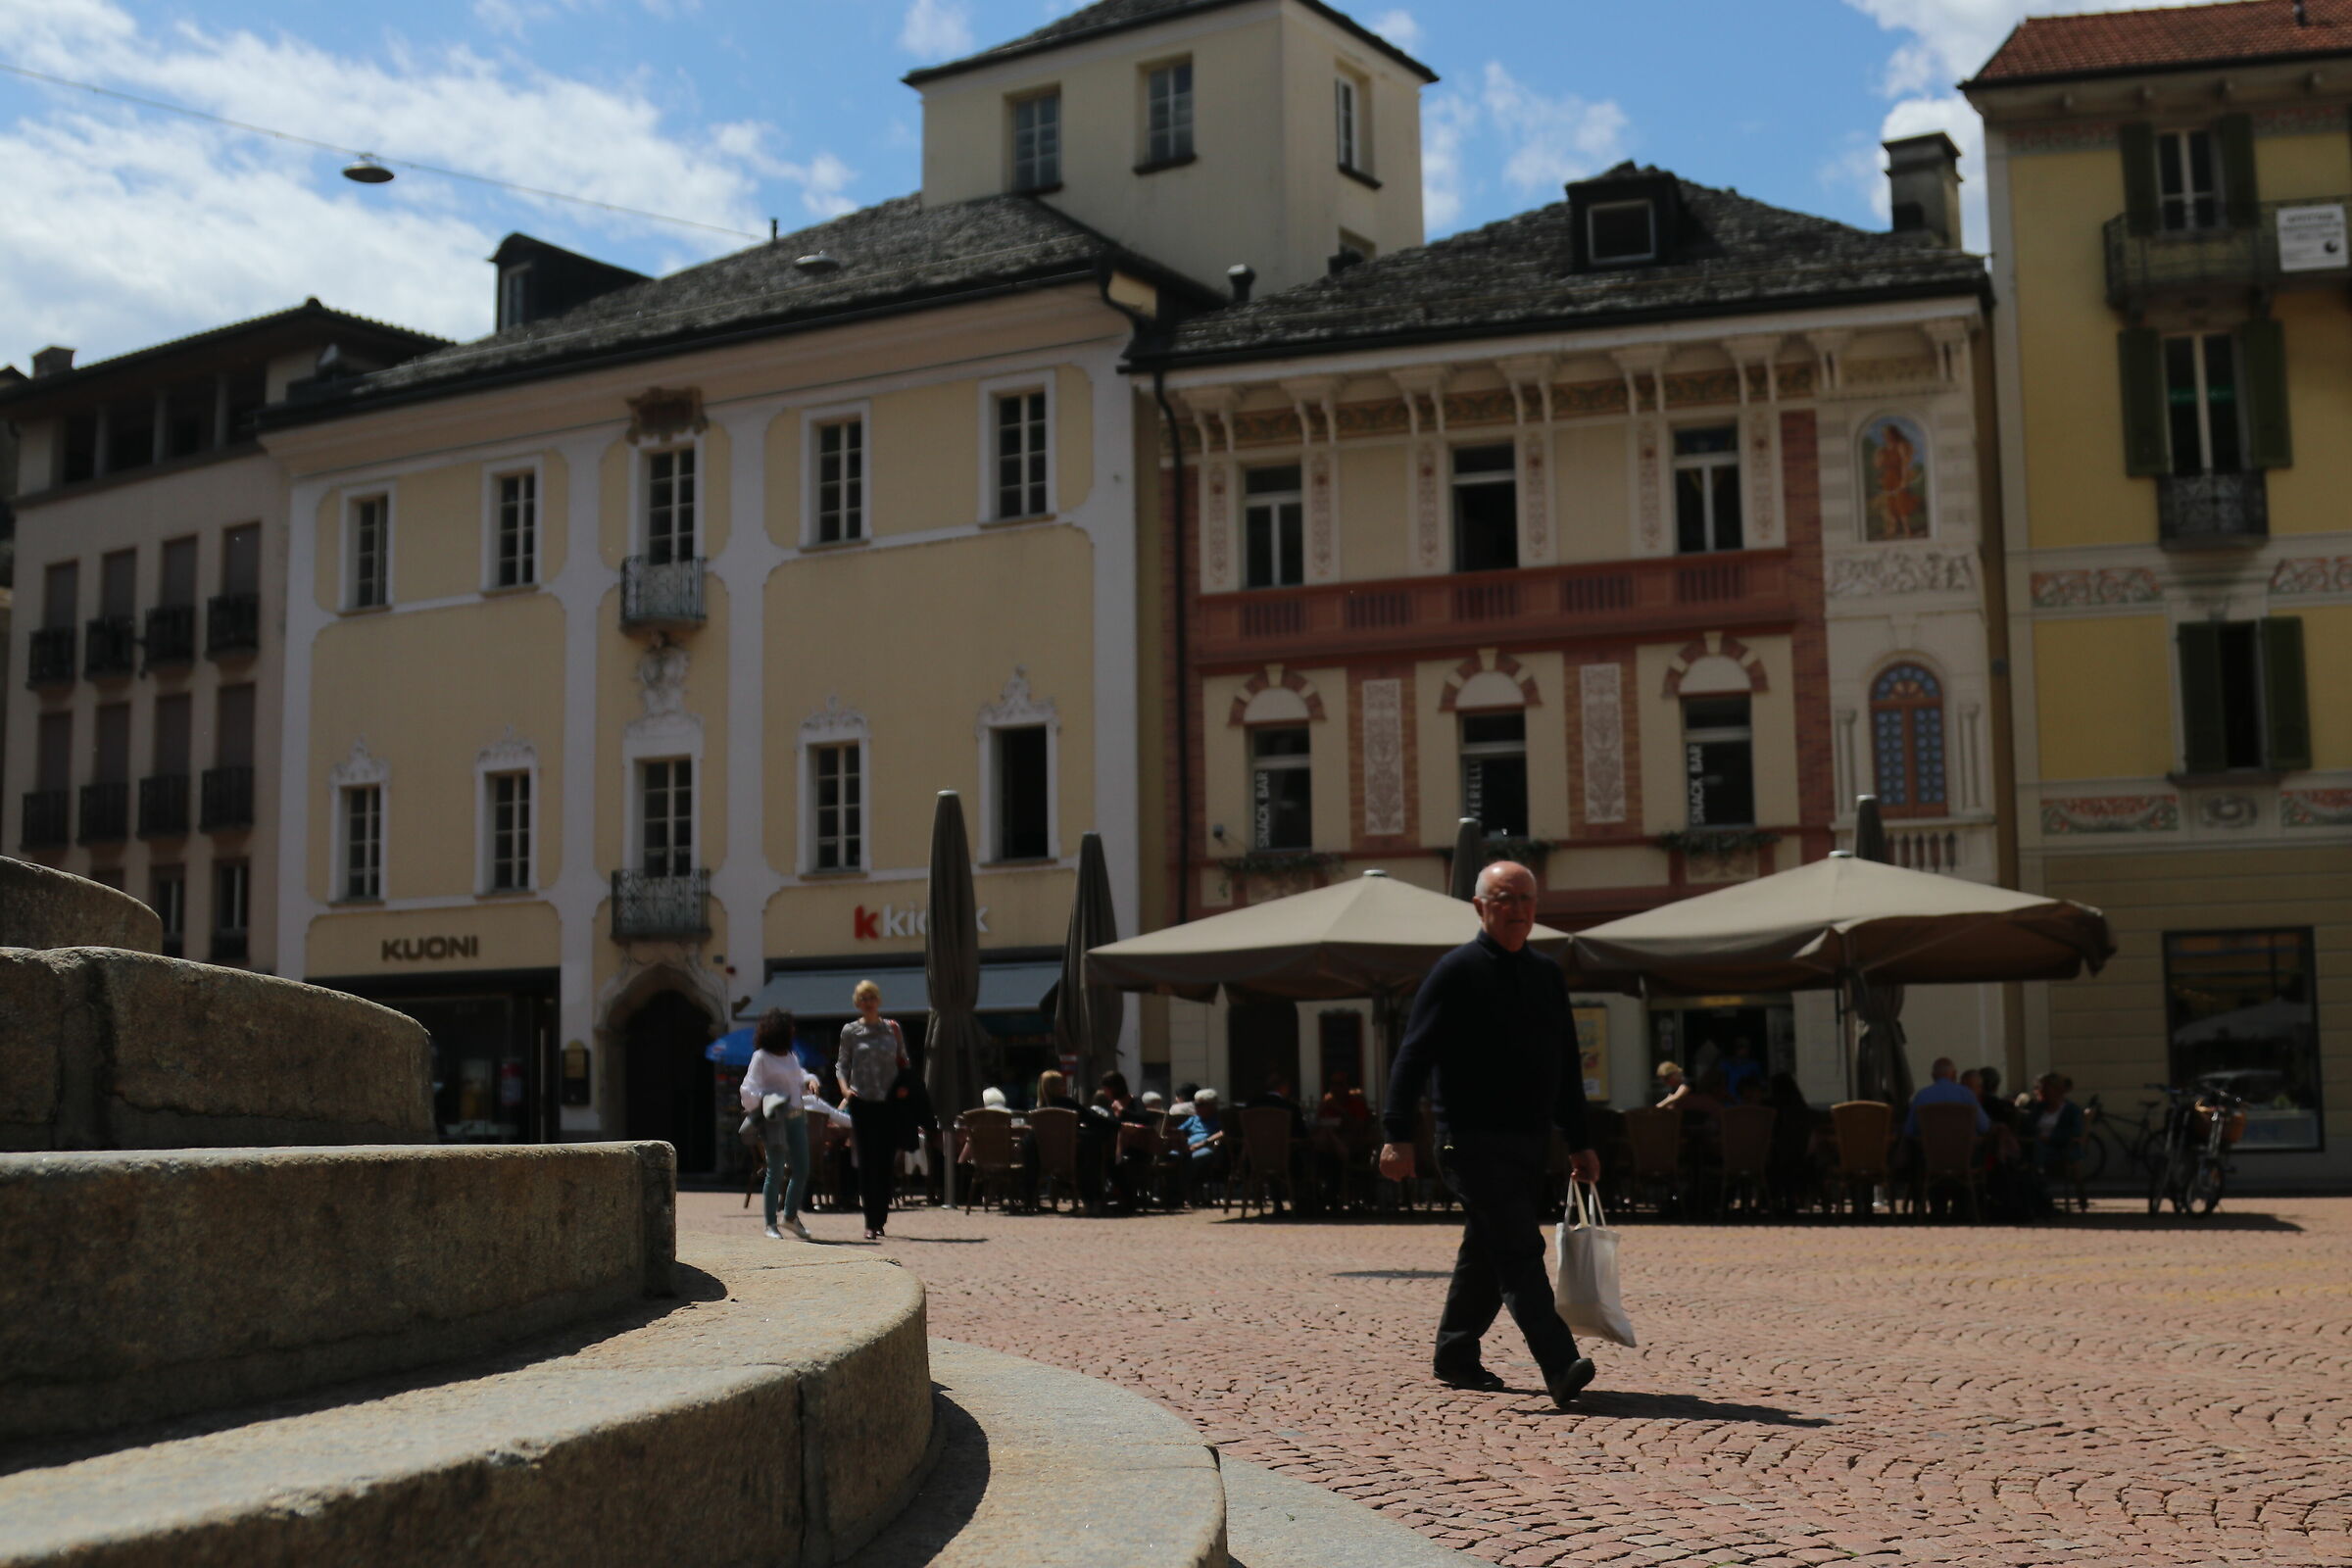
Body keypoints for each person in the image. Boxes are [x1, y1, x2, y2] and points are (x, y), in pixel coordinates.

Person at [1380, 860, 1600, 1409]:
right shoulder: (1454, 972)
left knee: (1487, 1247)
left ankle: (1455, 1353)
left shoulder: (1547, 975)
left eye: (1527, 899)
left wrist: (1580, 1139)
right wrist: (1396, 1133)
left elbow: (1566, 1065)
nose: (1519, 910)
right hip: (1468, 1141)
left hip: (1527, 1142)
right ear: (1480, 907)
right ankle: (1559, 1362)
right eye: (1505, 898)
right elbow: (1412, 1056)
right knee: (1519, 1247)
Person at [837, 979, 910, 1241]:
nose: (868, 1002)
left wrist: (904, 1087)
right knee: (867, 1163)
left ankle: (881, 1218)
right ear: (858, 1004)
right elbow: (842, 1065)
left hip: (889, 1102)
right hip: (862, 1101)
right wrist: (845, 1089)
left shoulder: (893, 1029)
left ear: (878, 1001)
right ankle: (870, 1221)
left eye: (872, 997)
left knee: (885, 1162)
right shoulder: (851, 1031)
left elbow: (904, 1061)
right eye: (863, 999)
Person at [742, 1008, 812, 1241]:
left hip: (796, 1115)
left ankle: (790, 1216)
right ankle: (770, 1223)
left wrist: (810, 1081)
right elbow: (748, 1089)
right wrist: (767, 1098)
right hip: (774, 1119)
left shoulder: (791, 1056)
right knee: (776, 1170)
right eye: (789, 1026)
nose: (793, 1030)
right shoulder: (761, 1057)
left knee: (802, 1168)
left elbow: (799, 1077)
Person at [1902, 1055, 1989, 1138]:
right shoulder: (1966, 1094)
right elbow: (1984, 1126)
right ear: (1955, 1074)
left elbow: (1909, 1130)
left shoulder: (1922, 1096)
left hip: (1931, 1152)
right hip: (1963, 1151)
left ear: (1933, 1076)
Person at [1179, 1087, 1227, 1203]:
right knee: (1172, 1155)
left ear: (1212, 1106)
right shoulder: (1194, 1119)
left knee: (1198, 1158)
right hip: (1188, 1147)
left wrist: (1202, 1143)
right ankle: (1176, 1195)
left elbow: (1224, 1132)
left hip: (1209, 1147)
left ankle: (1191, 1193)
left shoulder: (1220, 1118)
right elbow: (1180, 1131)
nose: (1196, 1108)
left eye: (1200, 1105)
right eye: (1196, 1105)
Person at [1719, 1039, 1763, 1104]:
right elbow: (1720, 1085)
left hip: (1747, 1103)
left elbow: (1758, 1084)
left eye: (1744, 1046)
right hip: (1729, 1103)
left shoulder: (1754, 1065)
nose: (1742, 1049)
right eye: (1739, 1046)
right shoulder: (1725, 1064)